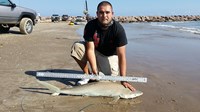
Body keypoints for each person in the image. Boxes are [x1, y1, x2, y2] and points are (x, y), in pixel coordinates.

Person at [71, 1, 135, 91]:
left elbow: (121, 56)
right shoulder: (90, 26)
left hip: (109, 55)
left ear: (112, 14)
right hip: (94, 52)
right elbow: (90, 49)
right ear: (97, 14)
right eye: (101, 12)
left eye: (107, 12)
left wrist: (123, 79)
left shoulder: (118, 29)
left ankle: (100, 73)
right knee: (77, 46)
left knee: (108, 81)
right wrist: (94, 70)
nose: (104, 15)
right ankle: (87, 75)